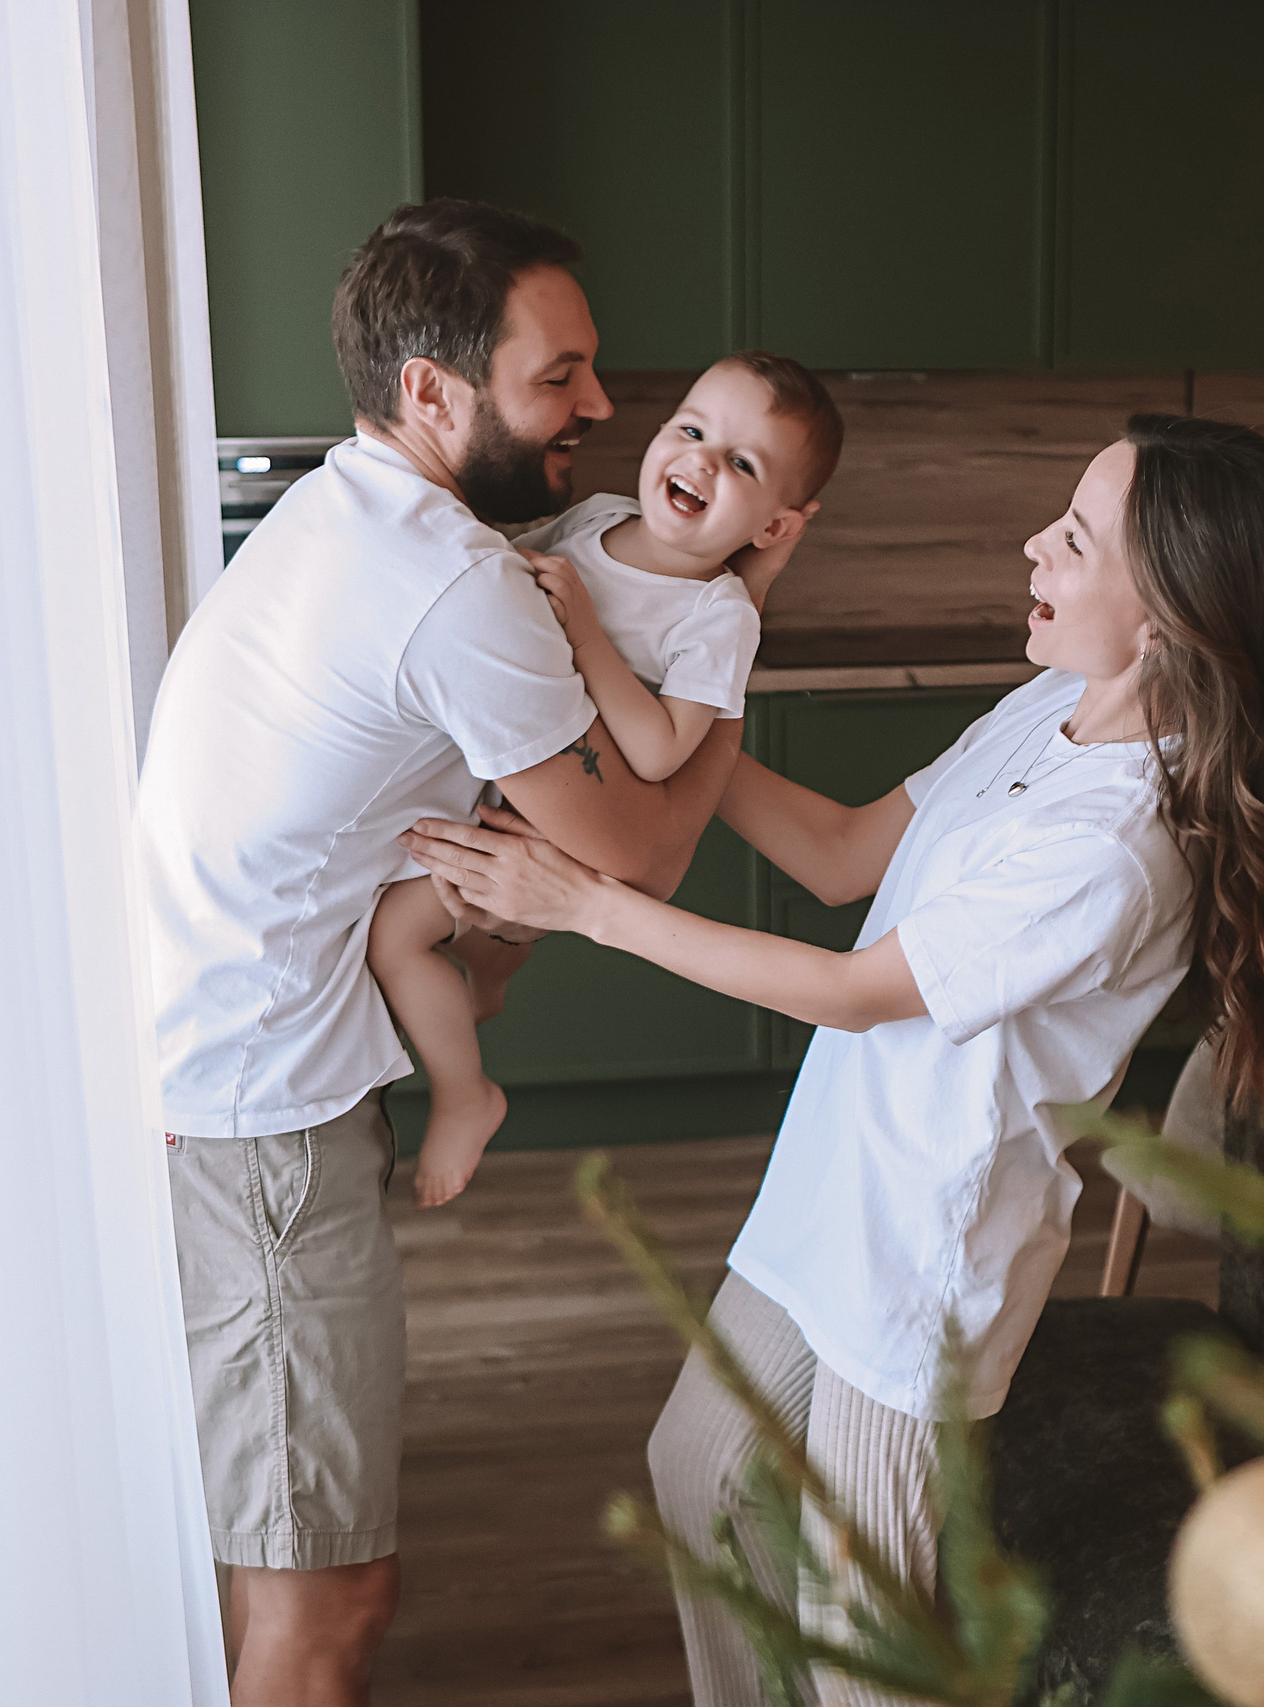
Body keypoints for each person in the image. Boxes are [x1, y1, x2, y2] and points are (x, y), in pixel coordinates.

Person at [402, 414, 1264, 1703]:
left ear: (1170, 621)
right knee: (701, 1481)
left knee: (870, 1650)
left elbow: (855, 990)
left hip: (921, 1258)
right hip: (827, 1194)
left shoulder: (1116, 845)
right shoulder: (1052, 709)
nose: (1033, 542)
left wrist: (585, 899)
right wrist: (680, 691)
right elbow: (846, 852)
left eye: (1072, 539)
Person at [135, 199, 776, 1707]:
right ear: (435, 390)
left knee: (281, 1547)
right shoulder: (458, 586)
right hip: (263, 1115)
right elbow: (632, 853)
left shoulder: (355, 507)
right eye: (562, 376)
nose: (604, 409)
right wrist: (736, 624)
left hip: (229, 1065)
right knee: (333, 1595)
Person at [369, 350, 842, 1207]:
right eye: (692, 430)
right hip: (500, 786)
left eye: (741, 463)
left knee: (397, 940)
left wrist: (586, 635)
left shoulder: (719, 615)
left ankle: (466, 1095)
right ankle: (489, 983)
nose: (700, 459)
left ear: (774, 527)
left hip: (560, 835)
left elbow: (662, 750)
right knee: (465, 948)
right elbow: (495, 572)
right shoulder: (594, 518)